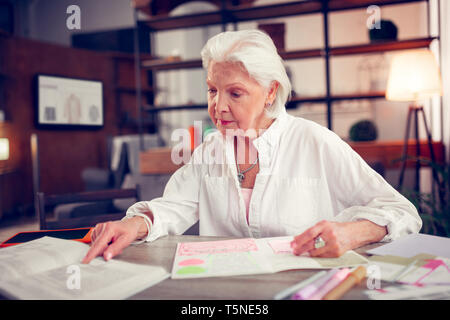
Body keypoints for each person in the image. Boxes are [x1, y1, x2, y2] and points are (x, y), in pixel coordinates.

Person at [82, 30, 421, 264]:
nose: (218, 107)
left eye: (235, 93)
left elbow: (404, 212)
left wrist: (352, 233)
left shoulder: (315, 141)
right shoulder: (209, 150)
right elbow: (172, 207)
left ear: (270, 92)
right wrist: (135, 224)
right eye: (213, 90)